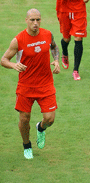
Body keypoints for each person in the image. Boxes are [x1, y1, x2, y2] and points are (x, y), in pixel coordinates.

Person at [1, 9, 60, 159]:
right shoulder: (18, 40)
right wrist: (14, 65)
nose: (35, 23)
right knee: (24, 118)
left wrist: (57, 60)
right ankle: (27, 145)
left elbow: (53, 47)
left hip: (46, 84)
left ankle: (40, 128)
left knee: (50, 119)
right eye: (32, 20)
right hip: (26, 86)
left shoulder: (47, 34)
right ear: (26, 20)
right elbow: (4, 59)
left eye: (38, 20)